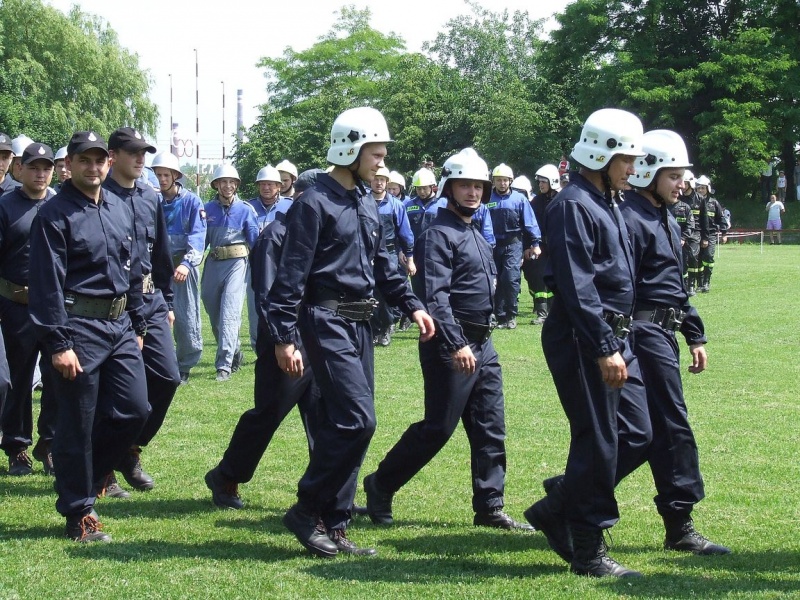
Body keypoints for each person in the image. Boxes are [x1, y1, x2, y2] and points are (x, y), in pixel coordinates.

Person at [267, 106, 434, 558]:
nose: (381, 163)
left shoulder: (365, 200)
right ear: (351, 149)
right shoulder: (313, 202)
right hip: (325, 321)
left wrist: (411, 304)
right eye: (375, 154)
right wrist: (283, 336)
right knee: (359, 420)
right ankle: (306, 510)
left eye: (382, 155)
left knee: (349, 424)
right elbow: (290, 276)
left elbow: (384, 266)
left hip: (361, 323)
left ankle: (335, 522)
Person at [363, 148, 532, 531]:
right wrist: (456, 344)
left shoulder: (474, 231)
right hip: (449, 344)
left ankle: (490, 506)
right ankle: (380, 484)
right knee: (438, 427)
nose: (472, 192)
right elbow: (435, 296)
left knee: (491, 424)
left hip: (483, 343)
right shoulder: (437, 234)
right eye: (465, 185)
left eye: (478, 186)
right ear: (448, 188)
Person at [523, 108, 651, 578]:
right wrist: (603, 346)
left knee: (638, 434)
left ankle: (557, 504)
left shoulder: (609, 199)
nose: (634, 168)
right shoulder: (572, 204)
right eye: (626, 159)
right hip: (584, 337)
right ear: (600, 154)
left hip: (615, 333)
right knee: (598, 442)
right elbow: (578, 286)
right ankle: (587, 549)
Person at [28, 131, 150, 542]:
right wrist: (59, 344)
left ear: (108, 163)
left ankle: (94, 472)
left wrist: (138, 324)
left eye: (99, 160)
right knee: (76, 424)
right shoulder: (54, 214)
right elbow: (46, 284)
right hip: (78, 327)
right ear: (70, 165)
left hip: (119, 327)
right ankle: (78, 513)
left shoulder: (118, 206)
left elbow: (132, 269)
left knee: (135, 410)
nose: (93, 167)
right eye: (85, 160)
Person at [621, 128, 730, 555]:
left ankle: (678, 524)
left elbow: (674, 285)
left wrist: (694, 332)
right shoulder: (629, 218)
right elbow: (621, 286)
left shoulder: (665, 214)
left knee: (660, 431)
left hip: (664, 331)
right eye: (674, 176)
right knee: (665, 429)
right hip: (642, 334)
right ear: (648, 172)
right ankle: (567, 501)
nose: (682, 184)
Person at [205, 208, 320, 510]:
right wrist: (284, 341)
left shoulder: (312, 231)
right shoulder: (275, 235)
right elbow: (267, 294)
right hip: (284, 339)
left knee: (324, 417)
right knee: (269, 412)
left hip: (317, 335)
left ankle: (325, 494)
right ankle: (226, 475)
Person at [103, 127, 181, 494]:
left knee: (167, 377)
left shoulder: (150, 197)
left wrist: (165, 299)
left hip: (150, 301)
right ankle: (103, 466)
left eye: (144, 153)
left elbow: (161, 253)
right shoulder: (100, 197)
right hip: (115, 306)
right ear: (112, 155)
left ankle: (128, 449)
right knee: (111, 390)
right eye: (132, 152)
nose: (140, 159)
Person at [0, 143, 53, 476]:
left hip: (55, 308)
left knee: (58, 380)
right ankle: (17, 447)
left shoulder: (62, 205)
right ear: (20, 169)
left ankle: (49, 445)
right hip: (15, 306)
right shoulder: (5, 206)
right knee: (18, 380)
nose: (40, 173)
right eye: (34, 167)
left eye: (46, 167)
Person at [202, 164, 259, 381]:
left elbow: (254, 240)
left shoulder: (245, 210)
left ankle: (223, 365)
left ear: (236, 185)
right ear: (216, 184)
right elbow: (201, 239)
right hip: (214, 263)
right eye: (223, 182)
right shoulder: (207, 210)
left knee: (230, 313)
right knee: (212, 309)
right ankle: (234, 349)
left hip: (238, 264)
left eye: (231, 182)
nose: (227, 185)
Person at [487, 163, 541, 329]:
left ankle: (511, 315)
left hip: (513, 244)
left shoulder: (519, 199)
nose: (502, 183)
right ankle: (498, 315)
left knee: (510, 279)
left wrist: (535, 243)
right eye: (498, 180)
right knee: (492, 280)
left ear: (510, 181)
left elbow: (530, 222)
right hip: (491, 246)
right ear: (493, 181)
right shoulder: (486, 199)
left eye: (505, 180)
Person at [245, 165, 293, 349]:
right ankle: (259, 344)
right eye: (263, 184)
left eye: (271, 184)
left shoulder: (289, 206)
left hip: (281, 264)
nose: (266, 187)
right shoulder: (249, 207)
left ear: (279, 186)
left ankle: (282, 338)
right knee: (255, 304)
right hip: (256, 264)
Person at [370, 166, 415, 347]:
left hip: (389, 254)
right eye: (376, 178)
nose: (379, 182)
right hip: (367, 253)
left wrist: (410, 258)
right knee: (369, 292)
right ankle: (374, 329)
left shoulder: (396, 205)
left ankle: (387, 327)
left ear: (387, 182)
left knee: (386, 292)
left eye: (383, 179)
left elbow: (405, 233)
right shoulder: (362, 201)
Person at [524, 165, 560, 325]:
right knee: (539, 279)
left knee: (558, 278)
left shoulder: (562, 199)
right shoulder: (536, 201)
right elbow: (529, 225)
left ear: (552, 181)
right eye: (539, 182)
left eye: (543, 182)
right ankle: (542, 313)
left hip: (558, 245)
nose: (540, 185)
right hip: (540, 247)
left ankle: (555, 312)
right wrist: (530, 245)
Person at [695, 175, 727, 292]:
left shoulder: (714, 203)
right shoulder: (694, 202)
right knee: (697, 259)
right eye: (699, 188)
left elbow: (721, 219)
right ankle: (700, 283)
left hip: (711, 235)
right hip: (697, 234)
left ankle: (707, 282)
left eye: (703, 188)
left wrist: (724, 234)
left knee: (708, 256)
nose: (700, 190)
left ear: (707, 189)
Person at [680, 171, 706, 295]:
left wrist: (705, 238)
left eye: (684, 183)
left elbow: (705, 221)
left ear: (690, 183)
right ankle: (684, 284)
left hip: (696, 233)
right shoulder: (678, 198)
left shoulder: (700, 199)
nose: (681, 185)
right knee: (682, 259)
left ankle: (691, 285)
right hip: (681, 232)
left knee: (692, 257)